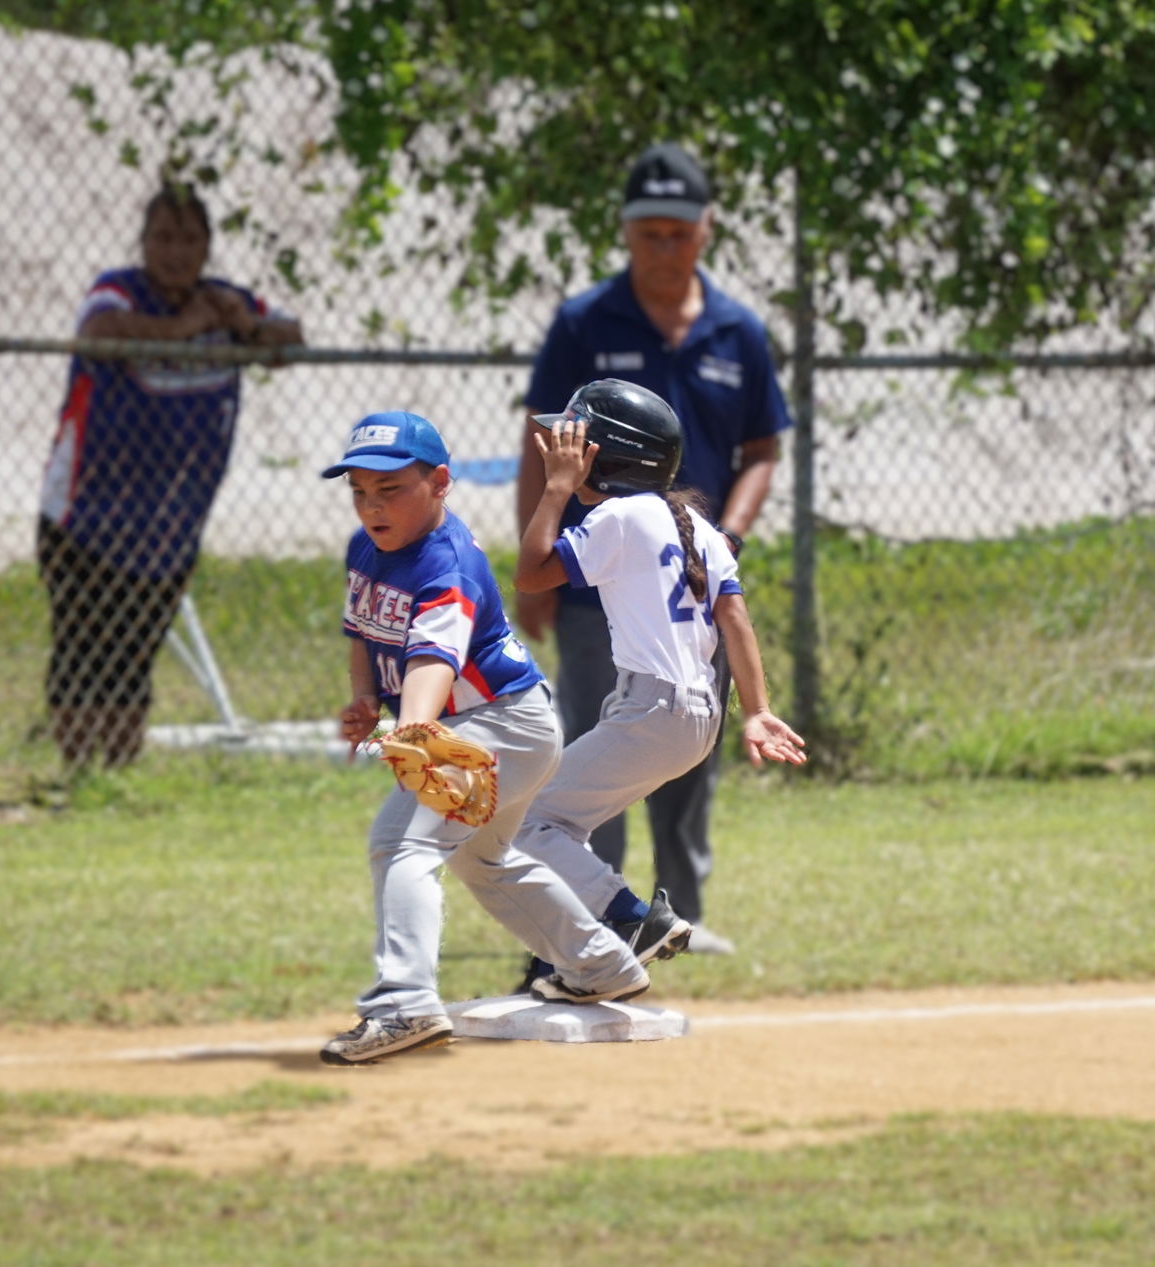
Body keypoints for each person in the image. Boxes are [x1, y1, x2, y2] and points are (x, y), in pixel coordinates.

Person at [318, 409, 682, 1064]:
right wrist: (368, 698)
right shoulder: (365, 549)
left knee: (401, 842)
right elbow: (365, 631)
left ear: (440, 484)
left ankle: (403, 1003)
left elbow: (437, 655)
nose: (373, 505)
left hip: (502, 726)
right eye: (360, 490)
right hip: (494, 725)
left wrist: (414, 725)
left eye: (392, 488)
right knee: (481, 858)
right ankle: (601, 963)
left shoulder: (446, 560)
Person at [516, 141, 791, 955]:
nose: (664, 247)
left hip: (674, 561)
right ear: (627, 235)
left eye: (678, 231)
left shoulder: (736, 330)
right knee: (602, 748)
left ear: (706, 230)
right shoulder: (585, 323)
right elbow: (542, 442)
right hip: (598, 587)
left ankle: (643, 919)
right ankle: (593, 924)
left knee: (590, 783)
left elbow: (762, 447)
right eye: (648, 233)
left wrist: (721, 544)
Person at [511, 379, 806, 983]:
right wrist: (756, 709)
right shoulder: (696, 525)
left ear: (604, 456)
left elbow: (531, 573)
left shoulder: (619, 517)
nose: (559, 448)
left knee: (527, 822)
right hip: (695, 717)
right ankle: (570, 957)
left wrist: (557, 489)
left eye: (573, 441)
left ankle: (630, 920)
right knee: (564, 825)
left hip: (652, 712)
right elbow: (734, 618)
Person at [36, 182, 304, 770]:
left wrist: (247, 328)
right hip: (84, 516)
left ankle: (119, 772)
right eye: (163, 237)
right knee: (81, 650)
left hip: (166, 530)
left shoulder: (221, 301)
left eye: (188, 239)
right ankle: (79, 773)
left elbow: (290, 336)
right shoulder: (118, 292)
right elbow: (98, 333)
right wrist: (181, 330)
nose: (175, 252)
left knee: (132, 656)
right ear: (143, 242)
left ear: (207, 246)